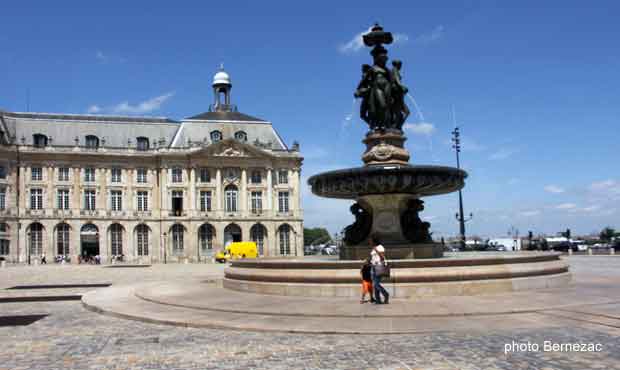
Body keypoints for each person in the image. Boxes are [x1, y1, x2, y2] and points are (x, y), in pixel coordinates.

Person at [369, 235, 389, 304]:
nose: (370, 241)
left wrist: (376, 250)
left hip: (378, 267)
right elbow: (374, 257)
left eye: (371, 240)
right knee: (375, 284)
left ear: (374, 240)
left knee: (375, 284)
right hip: (373, 267)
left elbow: (382, 257)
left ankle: (386, 294)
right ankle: (378, 300)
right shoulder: (373, 248)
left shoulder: (380, 247)